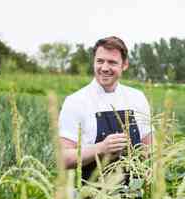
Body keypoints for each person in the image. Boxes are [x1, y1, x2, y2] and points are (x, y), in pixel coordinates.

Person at [59, 36, 153, 181]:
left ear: (125, 65)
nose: (104, 68)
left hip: (135, 196)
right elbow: (63, 159)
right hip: (92, 196)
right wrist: (101, 148)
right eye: (100, 61)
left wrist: (151, 168)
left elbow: (150, 147)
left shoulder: (137, 98)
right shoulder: (75, 102)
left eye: (112, 62)